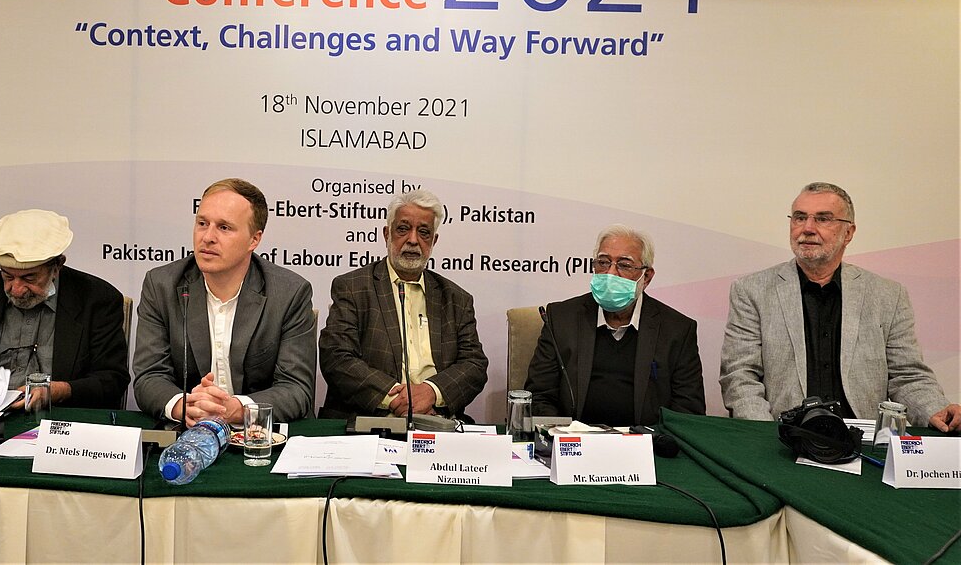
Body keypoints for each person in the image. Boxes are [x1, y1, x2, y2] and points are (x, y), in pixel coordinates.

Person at [721, 183, 960, 430]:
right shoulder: (752, 291)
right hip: (786, 440)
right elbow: (740, 377)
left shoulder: (888, 295)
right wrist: (765, 436)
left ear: (848, 232)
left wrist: (937, 410)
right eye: (800, 218)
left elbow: (907, 376)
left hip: (862, 441)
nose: (808, 228)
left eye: (823, 219)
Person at [133, 179, 316, 425]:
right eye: (202, 223)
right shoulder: (161, 285)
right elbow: (149, 375)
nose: (207, 237)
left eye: (224, 228)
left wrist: (237, 409)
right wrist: (184, 406)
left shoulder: (289, 293)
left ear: (254, 239)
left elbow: (296, 388)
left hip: (258, 438)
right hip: (187, 432)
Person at [0, 209, 129, 409]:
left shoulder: (97, 299)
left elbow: (112, 380)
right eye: (7, 276)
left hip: (60, 422)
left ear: (57, 266)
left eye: (29, 278)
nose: (16, 289)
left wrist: (60, 391)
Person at [319, 190, 488, 421]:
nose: (412, 240)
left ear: (434, 240)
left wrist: (431, 392)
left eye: (424, 232)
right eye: (403, 228)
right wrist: (399, 400)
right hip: (369, 419)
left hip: (435, 419)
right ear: (387, 234)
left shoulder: (457, 299)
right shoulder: (352, 287)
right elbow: (337, 357)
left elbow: (474, 365)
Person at [524, 224, 705, 425]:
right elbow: (539, 396)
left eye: (624, 265)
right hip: (574, 444)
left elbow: (688, 411)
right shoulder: (560, 319)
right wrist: (563, 437)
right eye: (603, 262)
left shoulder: (677, 330)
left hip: (645, 447)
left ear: (646, 277)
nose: (610, 273)